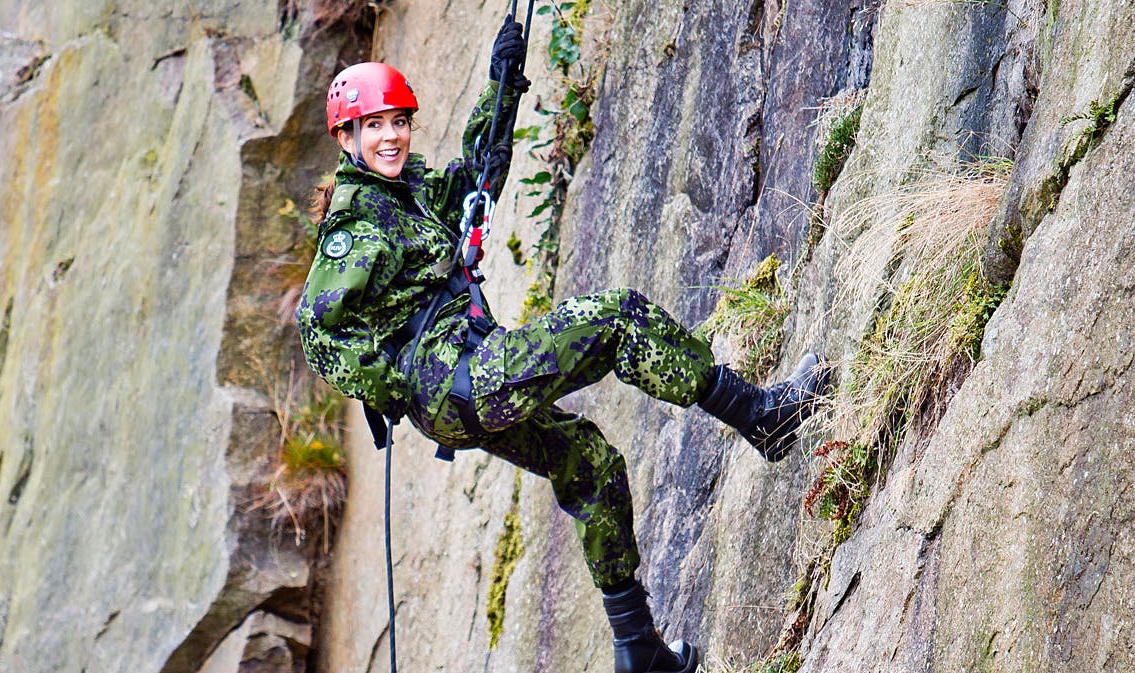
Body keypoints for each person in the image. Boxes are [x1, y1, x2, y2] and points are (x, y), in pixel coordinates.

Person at [297, 18, 828, 673]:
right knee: (616, 318)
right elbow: (319, 328)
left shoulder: (406, 195)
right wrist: (393, 384)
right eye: (373, 125)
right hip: (458, 379)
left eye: (398, 122)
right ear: (345, 137)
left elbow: (476, 174)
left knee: (589, 462)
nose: (390, 136)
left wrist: (501, 85)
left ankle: (638, 649)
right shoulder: (358, 223)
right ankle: (760, 414)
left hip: (461, 387)